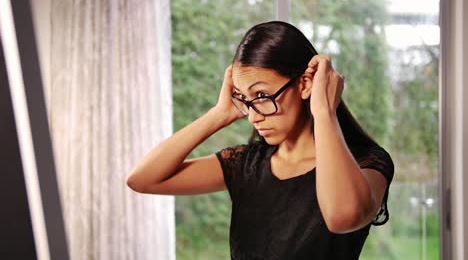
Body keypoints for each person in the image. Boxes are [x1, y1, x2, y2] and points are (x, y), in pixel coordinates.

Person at [126, 21, 394, 259]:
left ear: (304, 84)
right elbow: (143, 179)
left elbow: (341, 216)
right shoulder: (246, 163)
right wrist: (218, 115)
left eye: (263, 96)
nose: (253, 117)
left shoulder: (366, 162)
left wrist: (324, 110)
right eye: (245, 98)